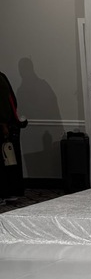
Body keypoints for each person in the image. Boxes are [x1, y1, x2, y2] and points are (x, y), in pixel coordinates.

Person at [0, 70, 27, 203]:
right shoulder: (2, 76)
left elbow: (3, 104)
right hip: (8, 123)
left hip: (4, 125)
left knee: (4, 160)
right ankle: (10, 191)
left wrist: (3, 124)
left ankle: (5, 193)